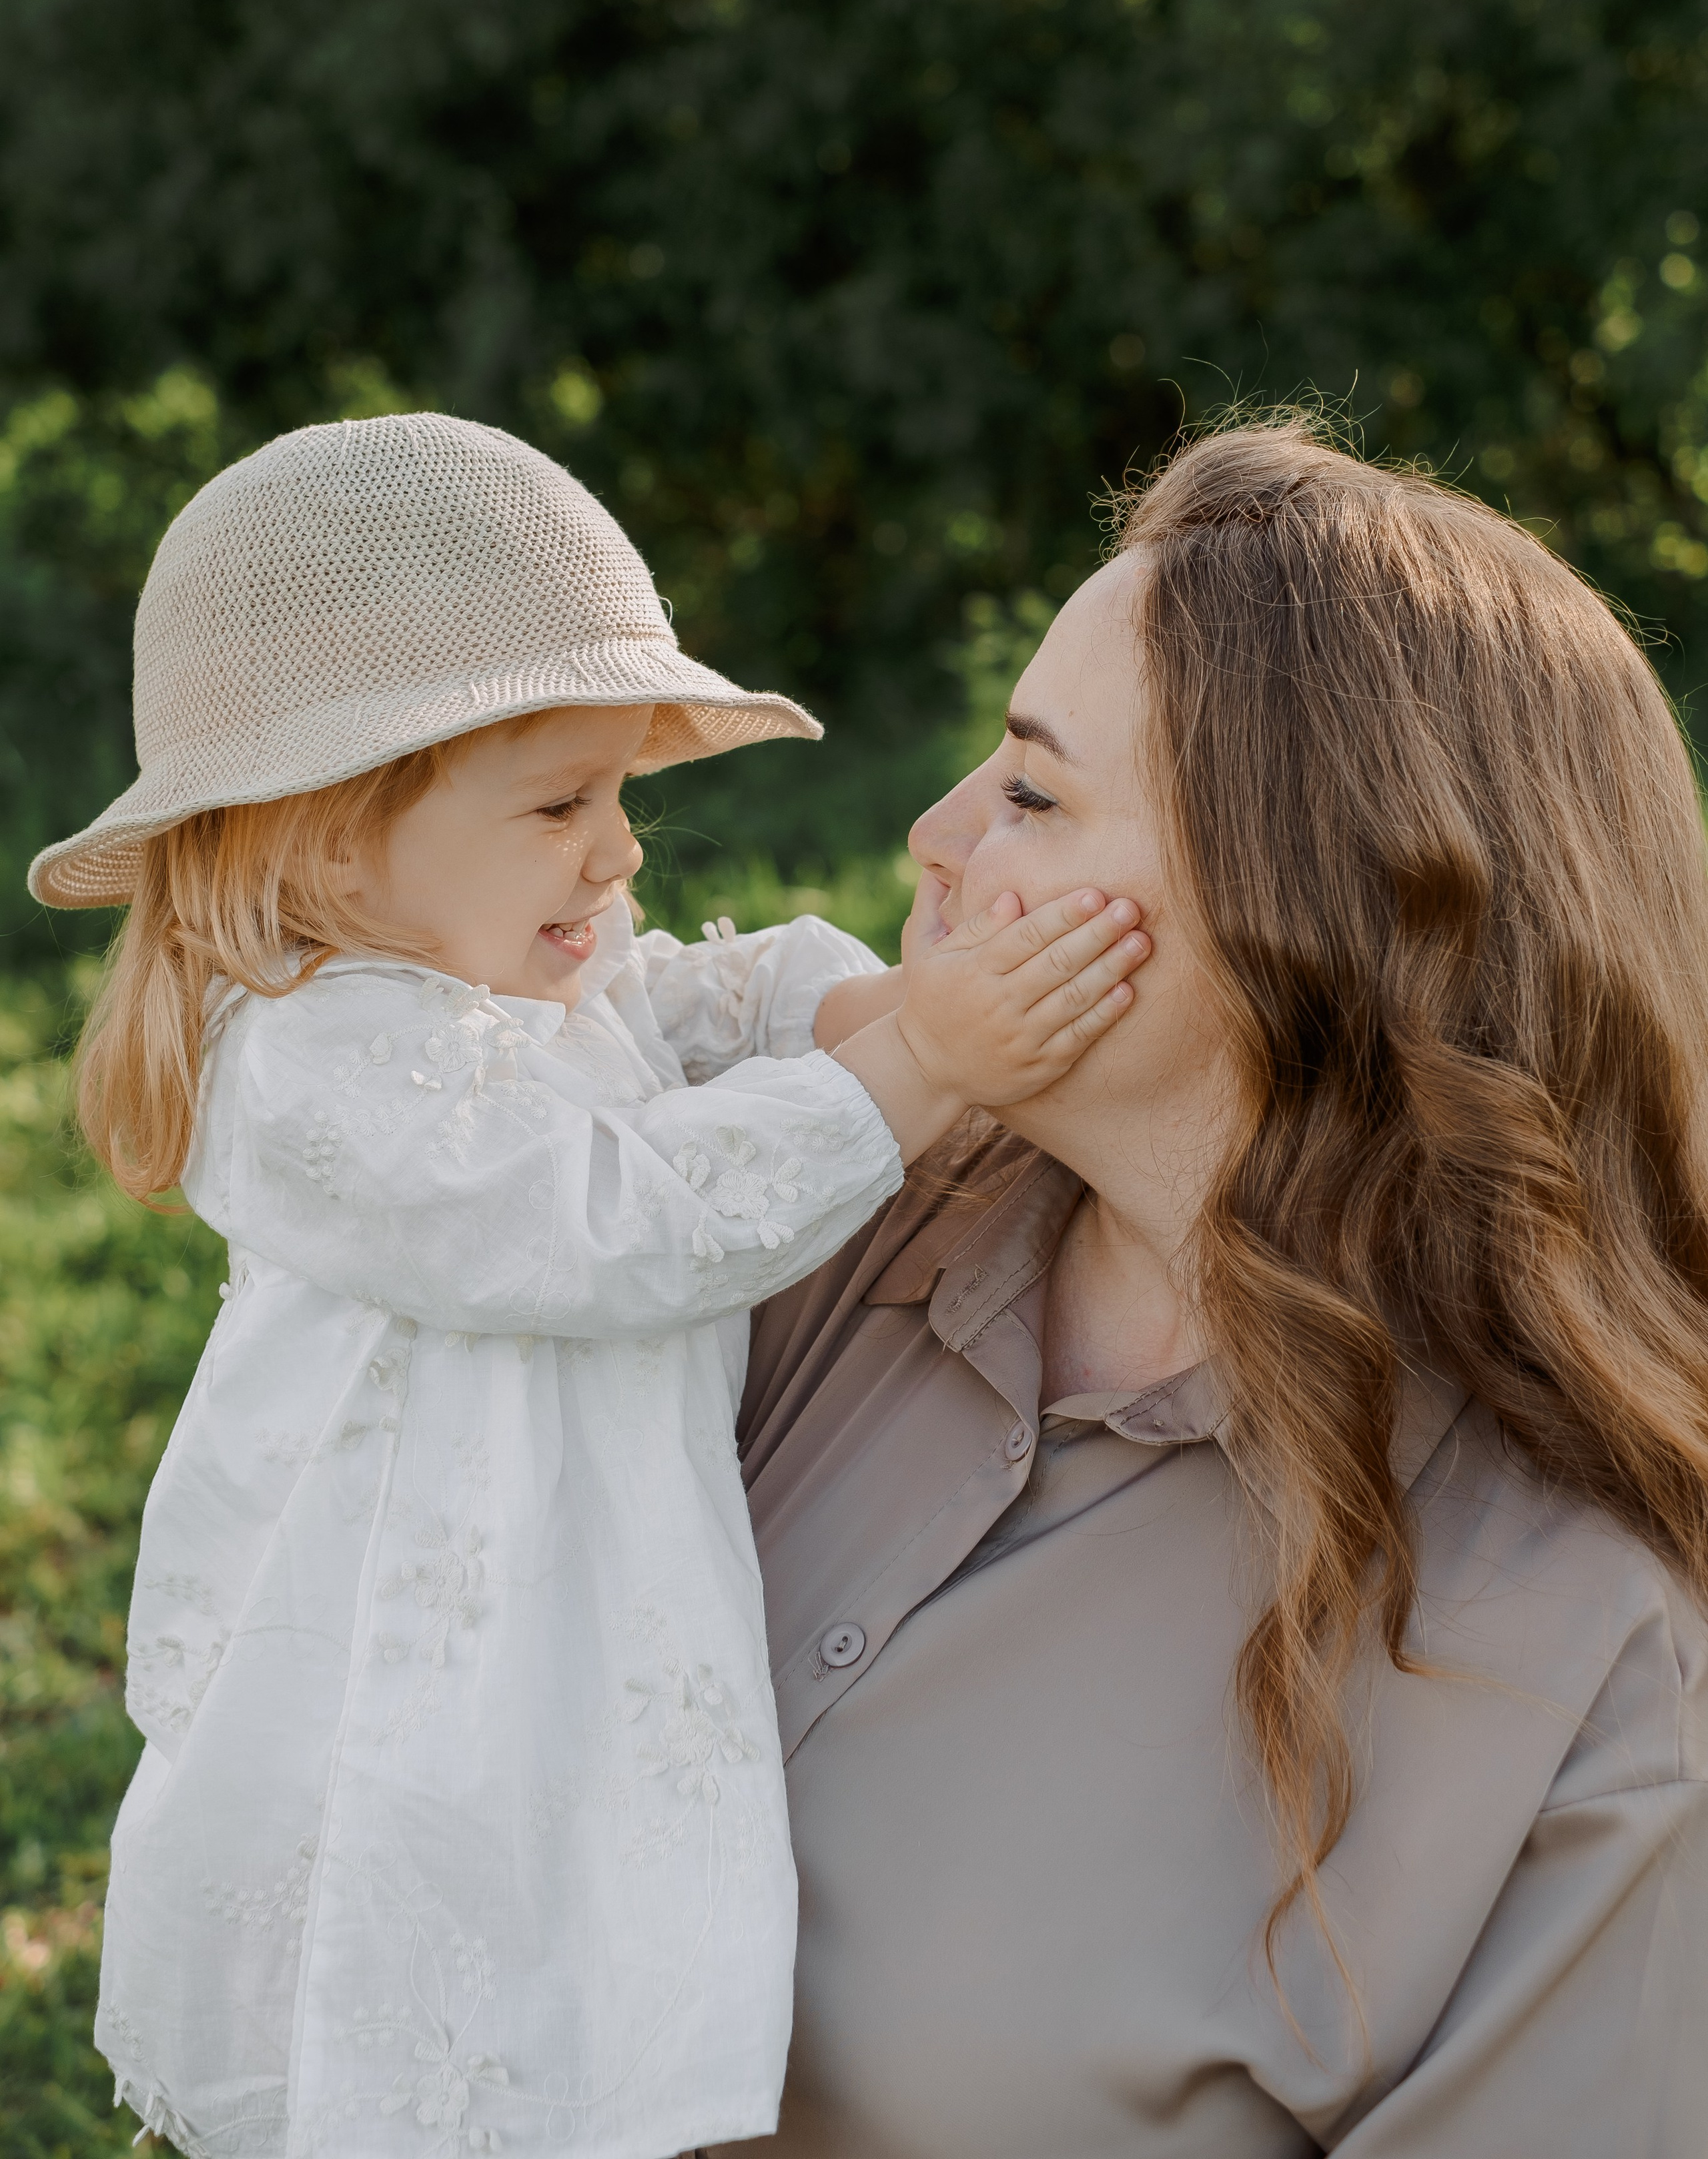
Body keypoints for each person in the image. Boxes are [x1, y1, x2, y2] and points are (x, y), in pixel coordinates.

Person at [29, 412, 1148, 2159]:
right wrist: (918, 1073)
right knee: (417, 2012)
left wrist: (848, 1013)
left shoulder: (523, 975)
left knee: (574, 1983)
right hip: (410, 1694)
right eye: (560, 804)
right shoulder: (313, 1073)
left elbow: (703, 1002)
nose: (620, 852)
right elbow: (611, 1213)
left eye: (622, 791)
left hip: (562, 1659)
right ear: (327, 843)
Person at [721, 418, 1708, 2159]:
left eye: (1031, 792)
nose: (932, 836)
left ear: (1312, 921)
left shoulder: (1598, 1667)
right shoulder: (788, 1226)